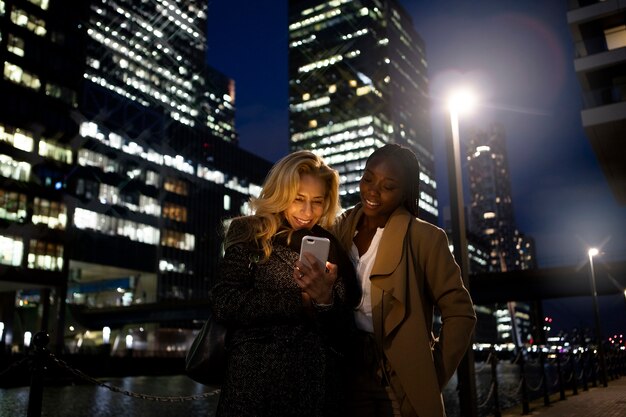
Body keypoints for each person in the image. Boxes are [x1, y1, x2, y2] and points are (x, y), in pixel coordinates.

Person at [209, 150, 360, 417]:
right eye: (298, 199)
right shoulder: (249, 232)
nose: (307, 211)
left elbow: (345, 334)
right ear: (281, 193)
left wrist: (325, 300)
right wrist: (299, 301)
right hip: (254, 386)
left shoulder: (332, 247)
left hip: (316, 388)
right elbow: (225, 302)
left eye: (317, 201)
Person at [332, 144, 477, 417]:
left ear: (405, 192)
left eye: (388, 186)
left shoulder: (425, 238)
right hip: (345, 367)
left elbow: (460, 313)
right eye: (368, 178)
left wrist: (431, 373)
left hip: (395, 372)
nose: (373, 191)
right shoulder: (338, 229)